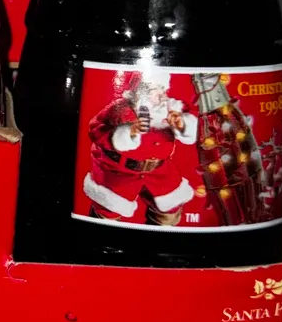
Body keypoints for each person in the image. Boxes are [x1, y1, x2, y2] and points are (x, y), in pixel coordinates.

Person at [83, 68, 197, 225]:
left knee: (169, 208)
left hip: (159, 171)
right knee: (108, 210)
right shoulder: (120, 109)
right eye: (153, 89)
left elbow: (193, 127)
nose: (161, 94)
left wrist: (182, 124)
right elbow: (96, 130)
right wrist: (128, 131)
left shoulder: (171, 109)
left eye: (162, 88)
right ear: (139, 92)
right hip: (118, 171)